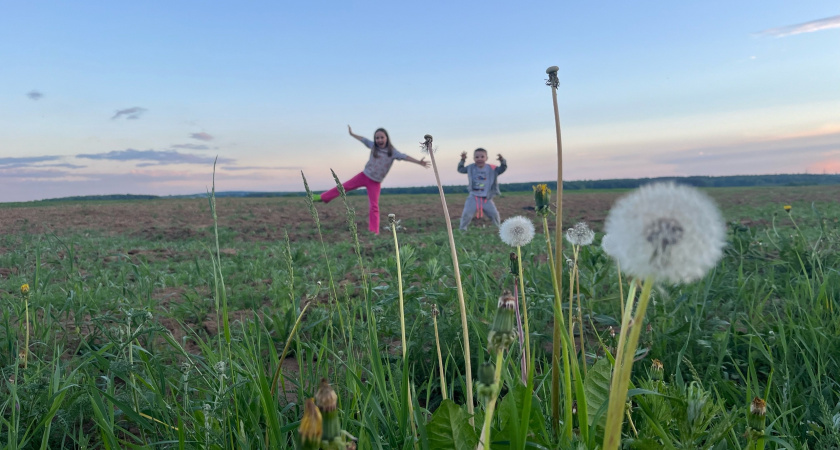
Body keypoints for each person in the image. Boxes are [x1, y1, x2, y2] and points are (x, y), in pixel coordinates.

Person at [313, 125, 430, 234]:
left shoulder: (392, 152)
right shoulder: (373, 146)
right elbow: (363, 139)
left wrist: (419, 162)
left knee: (374, 206)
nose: (379, 140)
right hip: (364, 176)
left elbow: (405, 156)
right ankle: (321, 197)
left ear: (386, 138)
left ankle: (374, 231)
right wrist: (352, 134)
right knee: (343, 187)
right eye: (377, 138)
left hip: (375, 182)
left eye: (381, 137)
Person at [457, 148, 507, 231]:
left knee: (494, 214)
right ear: (473, 158)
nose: (479, 159)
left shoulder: (492, 168)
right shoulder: (471, 167)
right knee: (467, 214)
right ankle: (462, 230)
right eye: (477, 157)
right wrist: (462, 160)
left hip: (486, 198)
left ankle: (498, 230)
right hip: (473, 197)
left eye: (482, 156)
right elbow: (460, 169)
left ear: (486, 158)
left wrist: (502, 160)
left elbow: (502, 169)